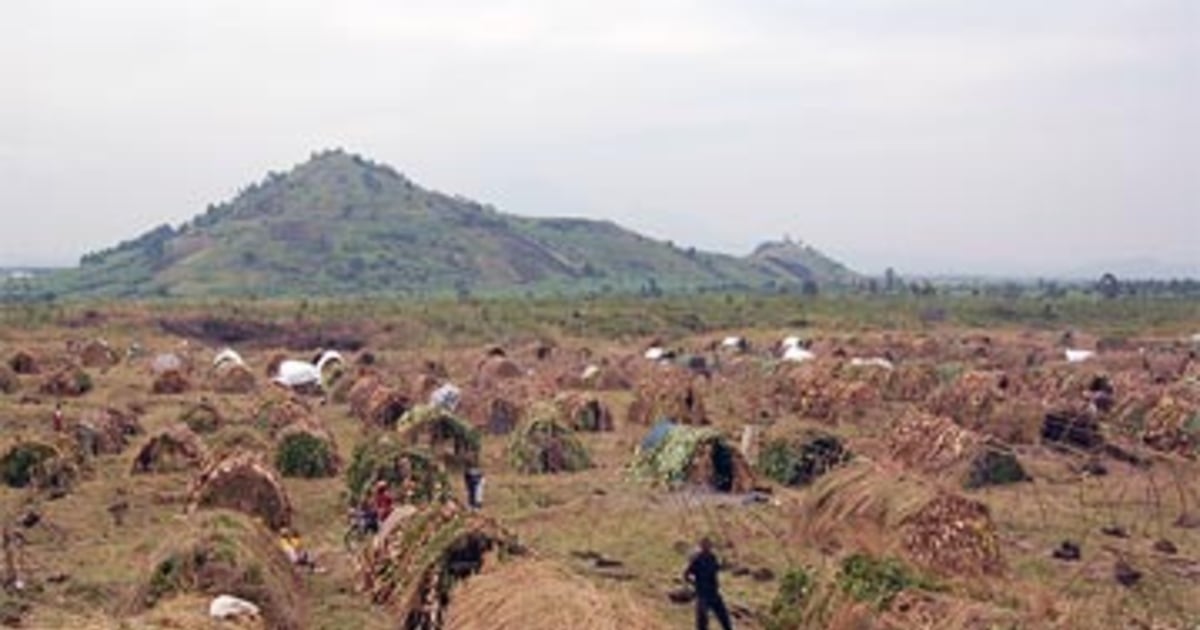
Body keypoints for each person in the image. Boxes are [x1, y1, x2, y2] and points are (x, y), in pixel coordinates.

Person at [683, 537, 732, 630]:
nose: (708, 547)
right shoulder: (697, 559)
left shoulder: (712, 557)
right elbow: (686, 574)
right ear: (702, 546)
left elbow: (717, 568)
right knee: (702, 623)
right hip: (702, 595)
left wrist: (724, 565)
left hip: (714, 593)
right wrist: (694, 585)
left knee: (725, 619)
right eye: (706, 545)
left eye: (709, 545)